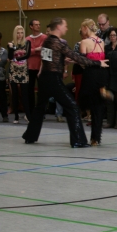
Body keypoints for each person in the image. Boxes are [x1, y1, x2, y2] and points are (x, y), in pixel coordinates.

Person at [22, 17, 108, 148]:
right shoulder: (59, 43)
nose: (67, 28)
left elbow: (48, 60)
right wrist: (98, 63)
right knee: (72, 106)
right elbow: (77, 57)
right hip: (53, 79)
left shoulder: (47, 41)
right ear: (58, 27)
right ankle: (78, 140)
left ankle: (30, 136)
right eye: (65, 26)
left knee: (40, 108)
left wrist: (63, 62)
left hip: (44, 78)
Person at [79, 19, 110, 146]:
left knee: (82, 104)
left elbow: (82, 62)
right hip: (102, 75)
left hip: (90, 75)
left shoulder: (84, 42)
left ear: (86, 28)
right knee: (98, 109)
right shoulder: (101, 41)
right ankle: (95, 138)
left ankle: (79, 136)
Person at [7, 25, 32, 124]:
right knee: (15, 94)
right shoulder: (11, 43)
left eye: (21, 32)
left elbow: (27, 54)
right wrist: (11, 48)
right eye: (18, 33)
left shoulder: (27, 42)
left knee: (25, 94)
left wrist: (16, 58)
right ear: (15, 33)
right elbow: (9, 57)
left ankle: (29, 116)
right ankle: (16, 116)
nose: (20, 35)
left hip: (23, 70)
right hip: (13, 70)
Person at [26, 19, 48, 114]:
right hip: (29, 67)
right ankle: (31, 111)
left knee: (42, 91)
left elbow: (45, 51)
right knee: (29, 90)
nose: (38, 26)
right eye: (36, 24)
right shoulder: (27, 39)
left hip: (41, 67)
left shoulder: (45, 37)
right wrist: (37, 50)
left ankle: (41, 111)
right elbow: (26, 53)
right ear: (31, 26)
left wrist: (32, 51)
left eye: (39, 24)